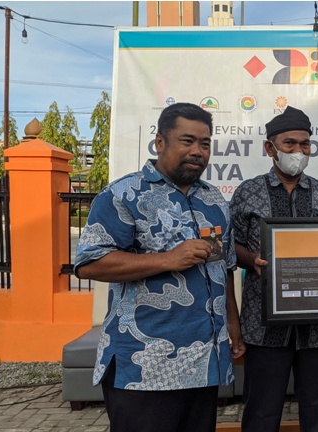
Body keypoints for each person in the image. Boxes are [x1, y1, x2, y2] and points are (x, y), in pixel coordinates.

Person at [74, 102, 244, 432]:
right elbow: (90, 263)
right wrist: (168, 259)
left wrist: (233, 327)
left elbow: (223, 268)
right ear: (160, 142)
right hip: (144, 366)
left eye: (205, 143)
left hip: (203, 361)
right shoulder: (123, 195)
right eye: (187, 140)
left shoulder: (215, 200)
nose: (197, 151)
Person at [230, 106, 318, 432]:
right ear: (270, 148)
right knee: (261, 414)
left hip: (316, 329)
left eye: (305, 144)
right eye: (289, 143)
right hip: (263, 328)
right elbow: (230, 248)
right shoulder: (248, 192)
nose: (298, 151)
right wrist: (252, 259)